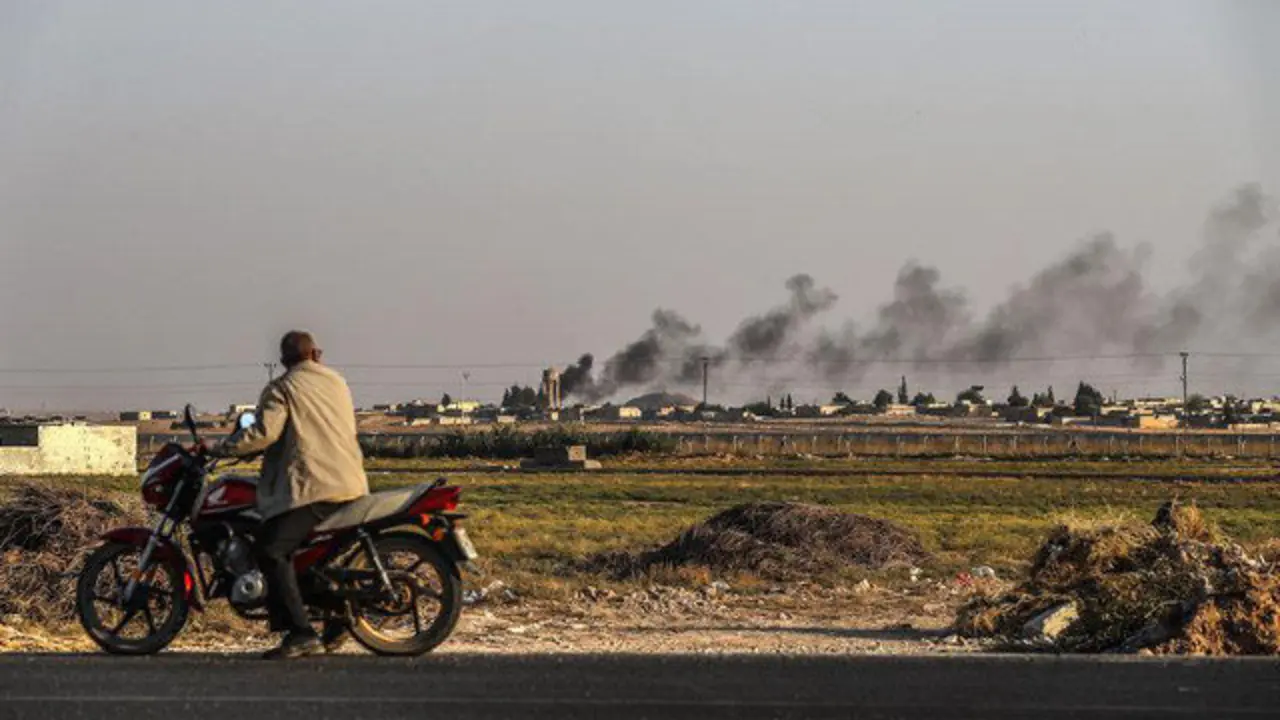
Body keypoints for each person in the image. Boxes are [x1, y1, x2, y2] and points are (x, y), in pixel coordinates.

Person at [210, 330, 369, 659]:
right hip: (351, 483)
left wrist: (220, 448)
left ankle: (300, 633)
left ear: (284, 361)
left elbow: (264, 433)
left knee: (270, 550)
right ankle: (334, 616)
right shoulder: (336, 381)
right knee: (298, 553)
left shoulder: (282, 387)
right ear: (316, 354)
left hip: (316, 487)